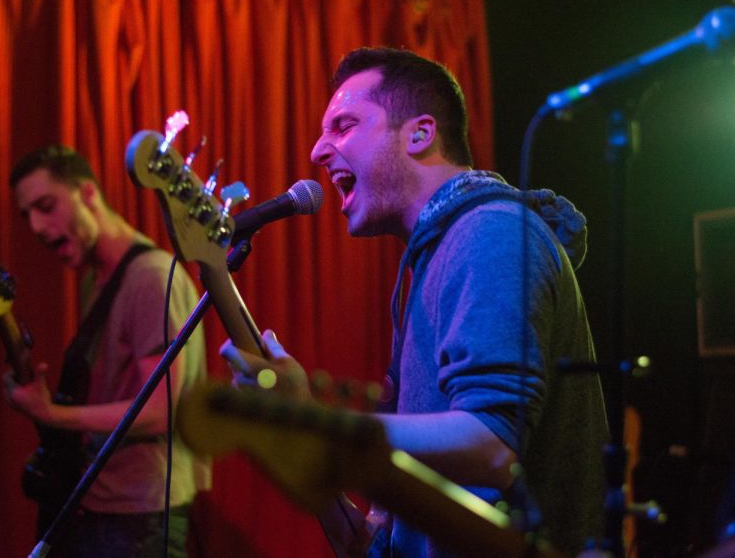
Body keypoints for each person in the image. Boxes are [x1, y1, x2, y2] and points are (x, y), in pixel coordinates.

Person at [220, 47, 608, 556]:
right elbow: (371, 544)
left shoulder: (489, 234)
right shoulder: (431, 262)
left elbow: (491, 445)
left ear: (420, 134)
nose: (317, 150)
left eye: (343, 125)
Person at [4, 145, 210, 557]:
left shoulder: (150, 278)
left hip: (141, 516)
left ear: (88, 194)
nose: (38, 227)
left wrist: (52, 414)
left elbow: (159, 411)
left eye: (46, 206)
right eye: (28, 215)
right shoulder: (97, 280)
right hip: (105, 508)